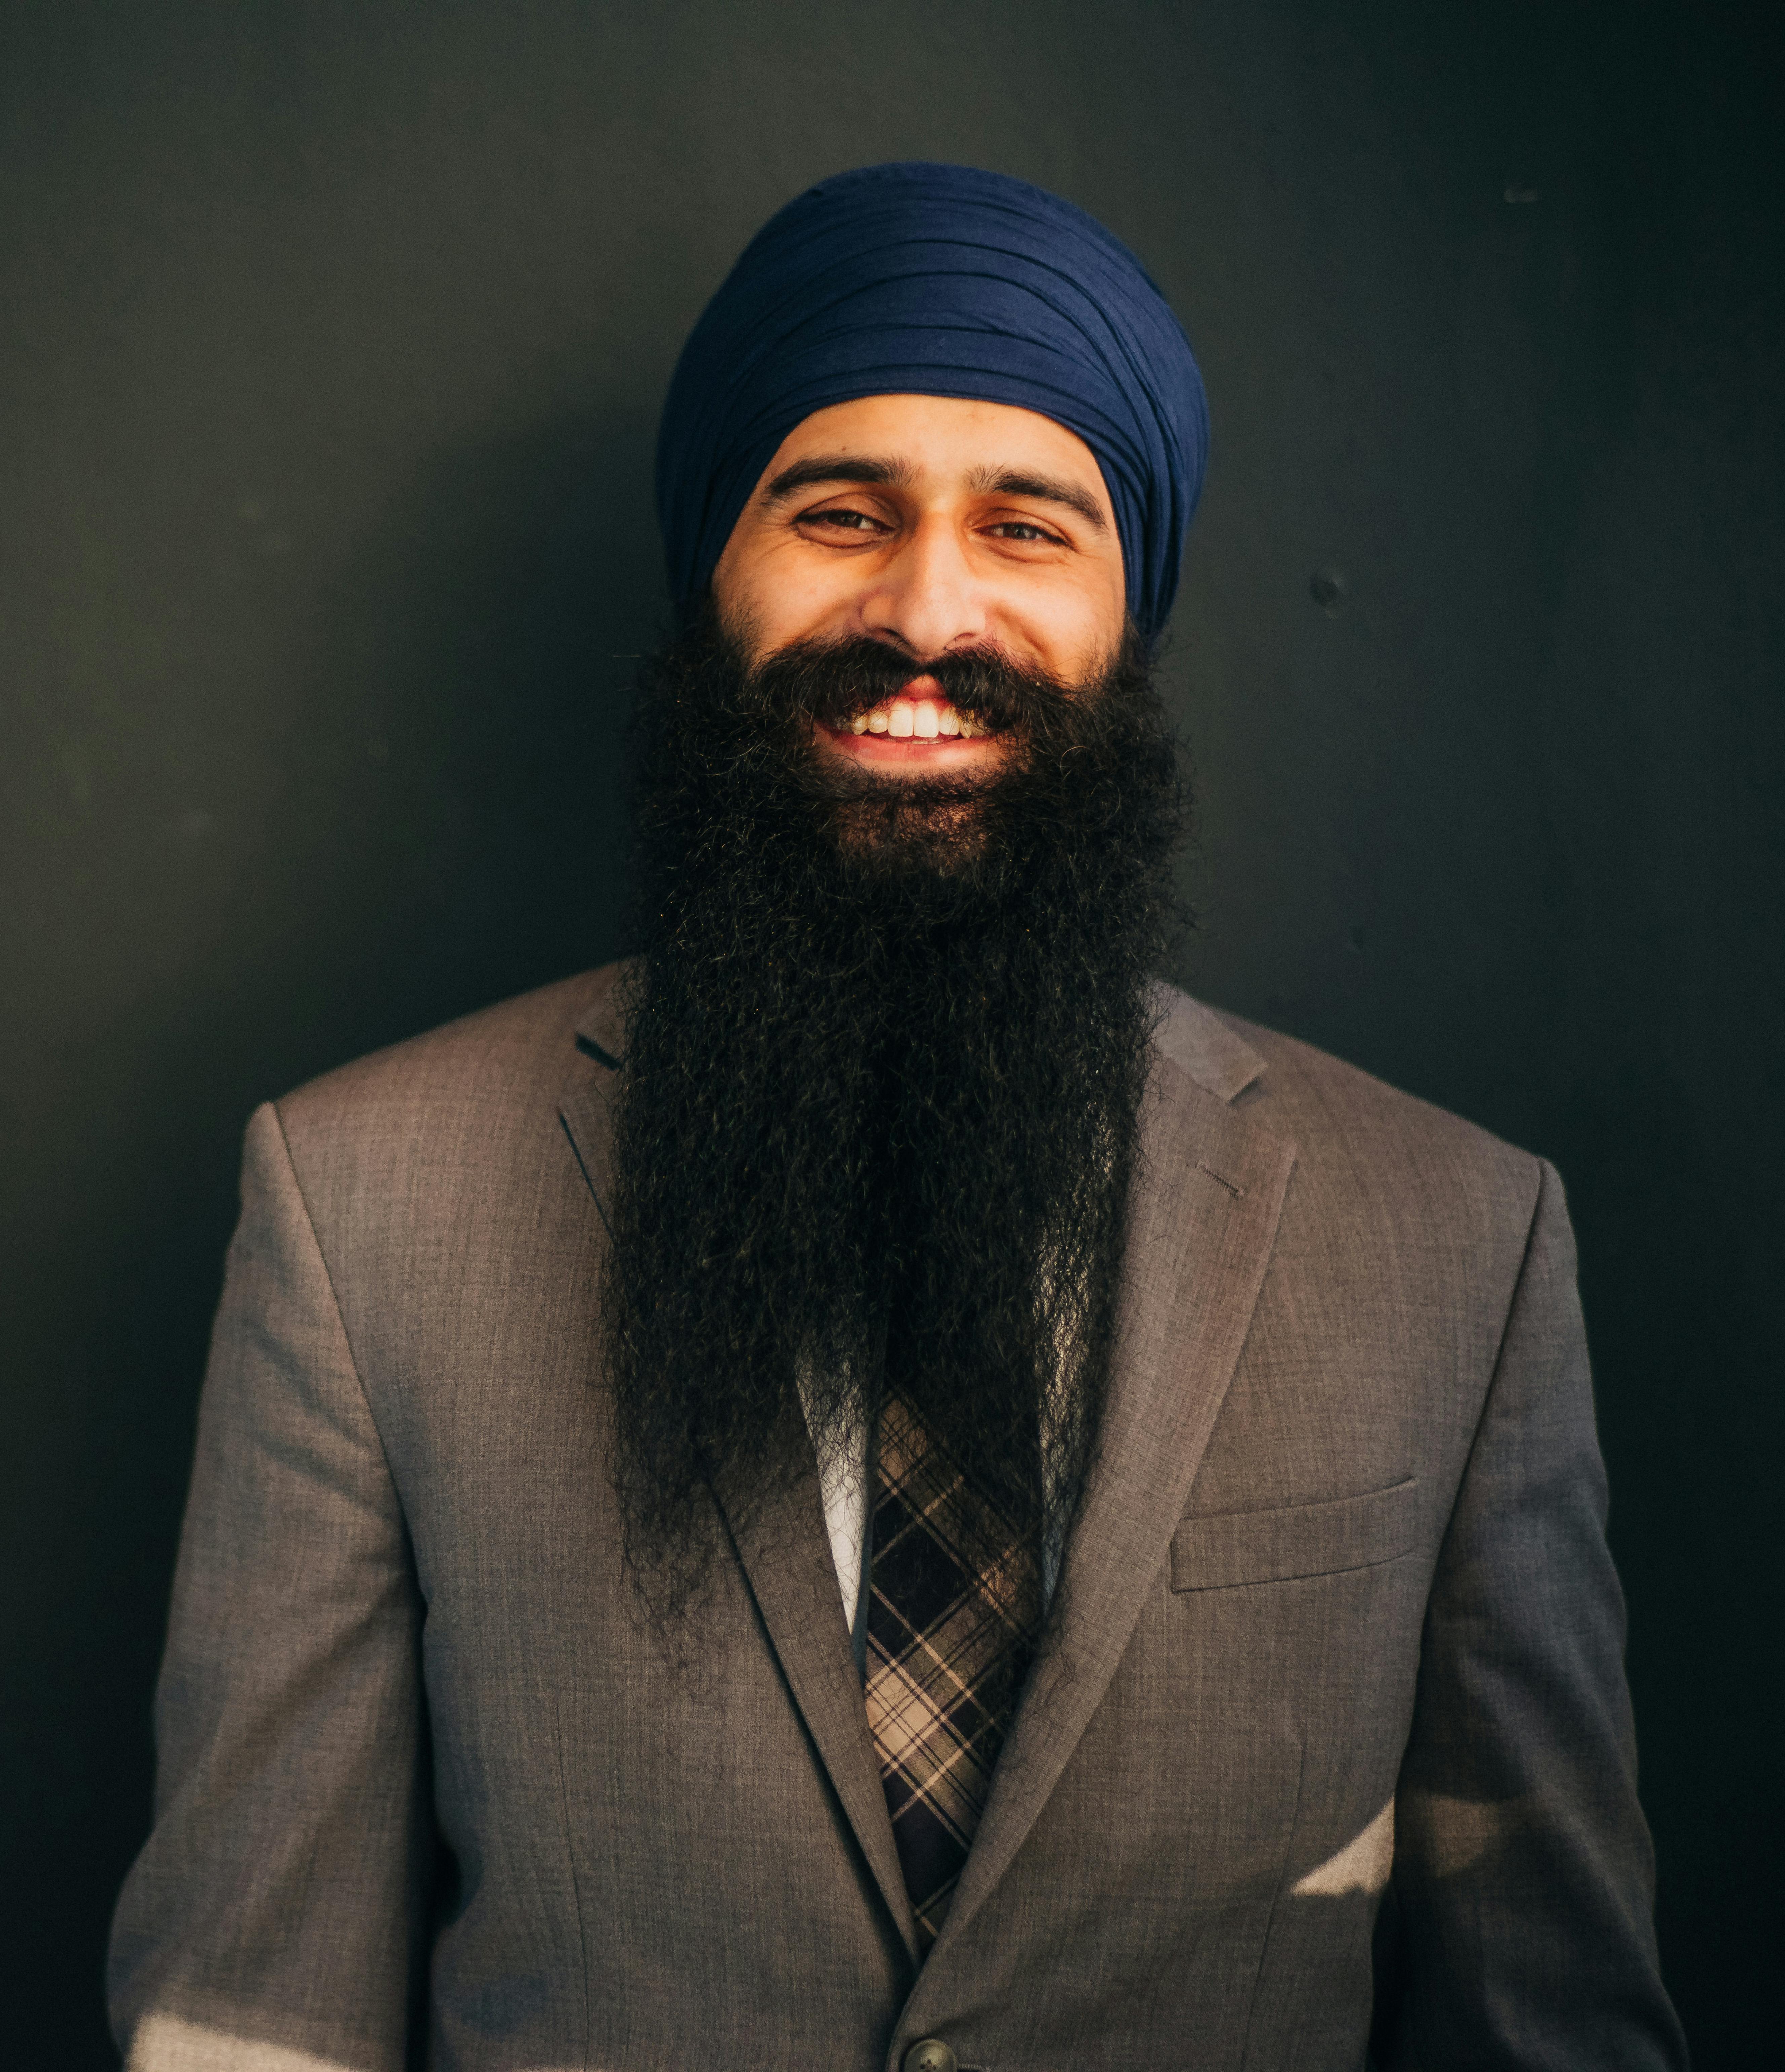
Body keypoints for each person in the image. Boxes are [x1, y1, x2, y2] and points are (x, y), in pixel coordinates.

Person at [106, 162, 1683, 2071]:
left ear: (1129, 616)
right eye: (838, 513)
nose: (927, 609)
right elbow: (247, 2019)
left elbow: (1552, 2020)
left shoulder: (1459, 1240)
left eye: (1031, 528)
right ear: (716, 574)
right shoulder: (358, 1208)